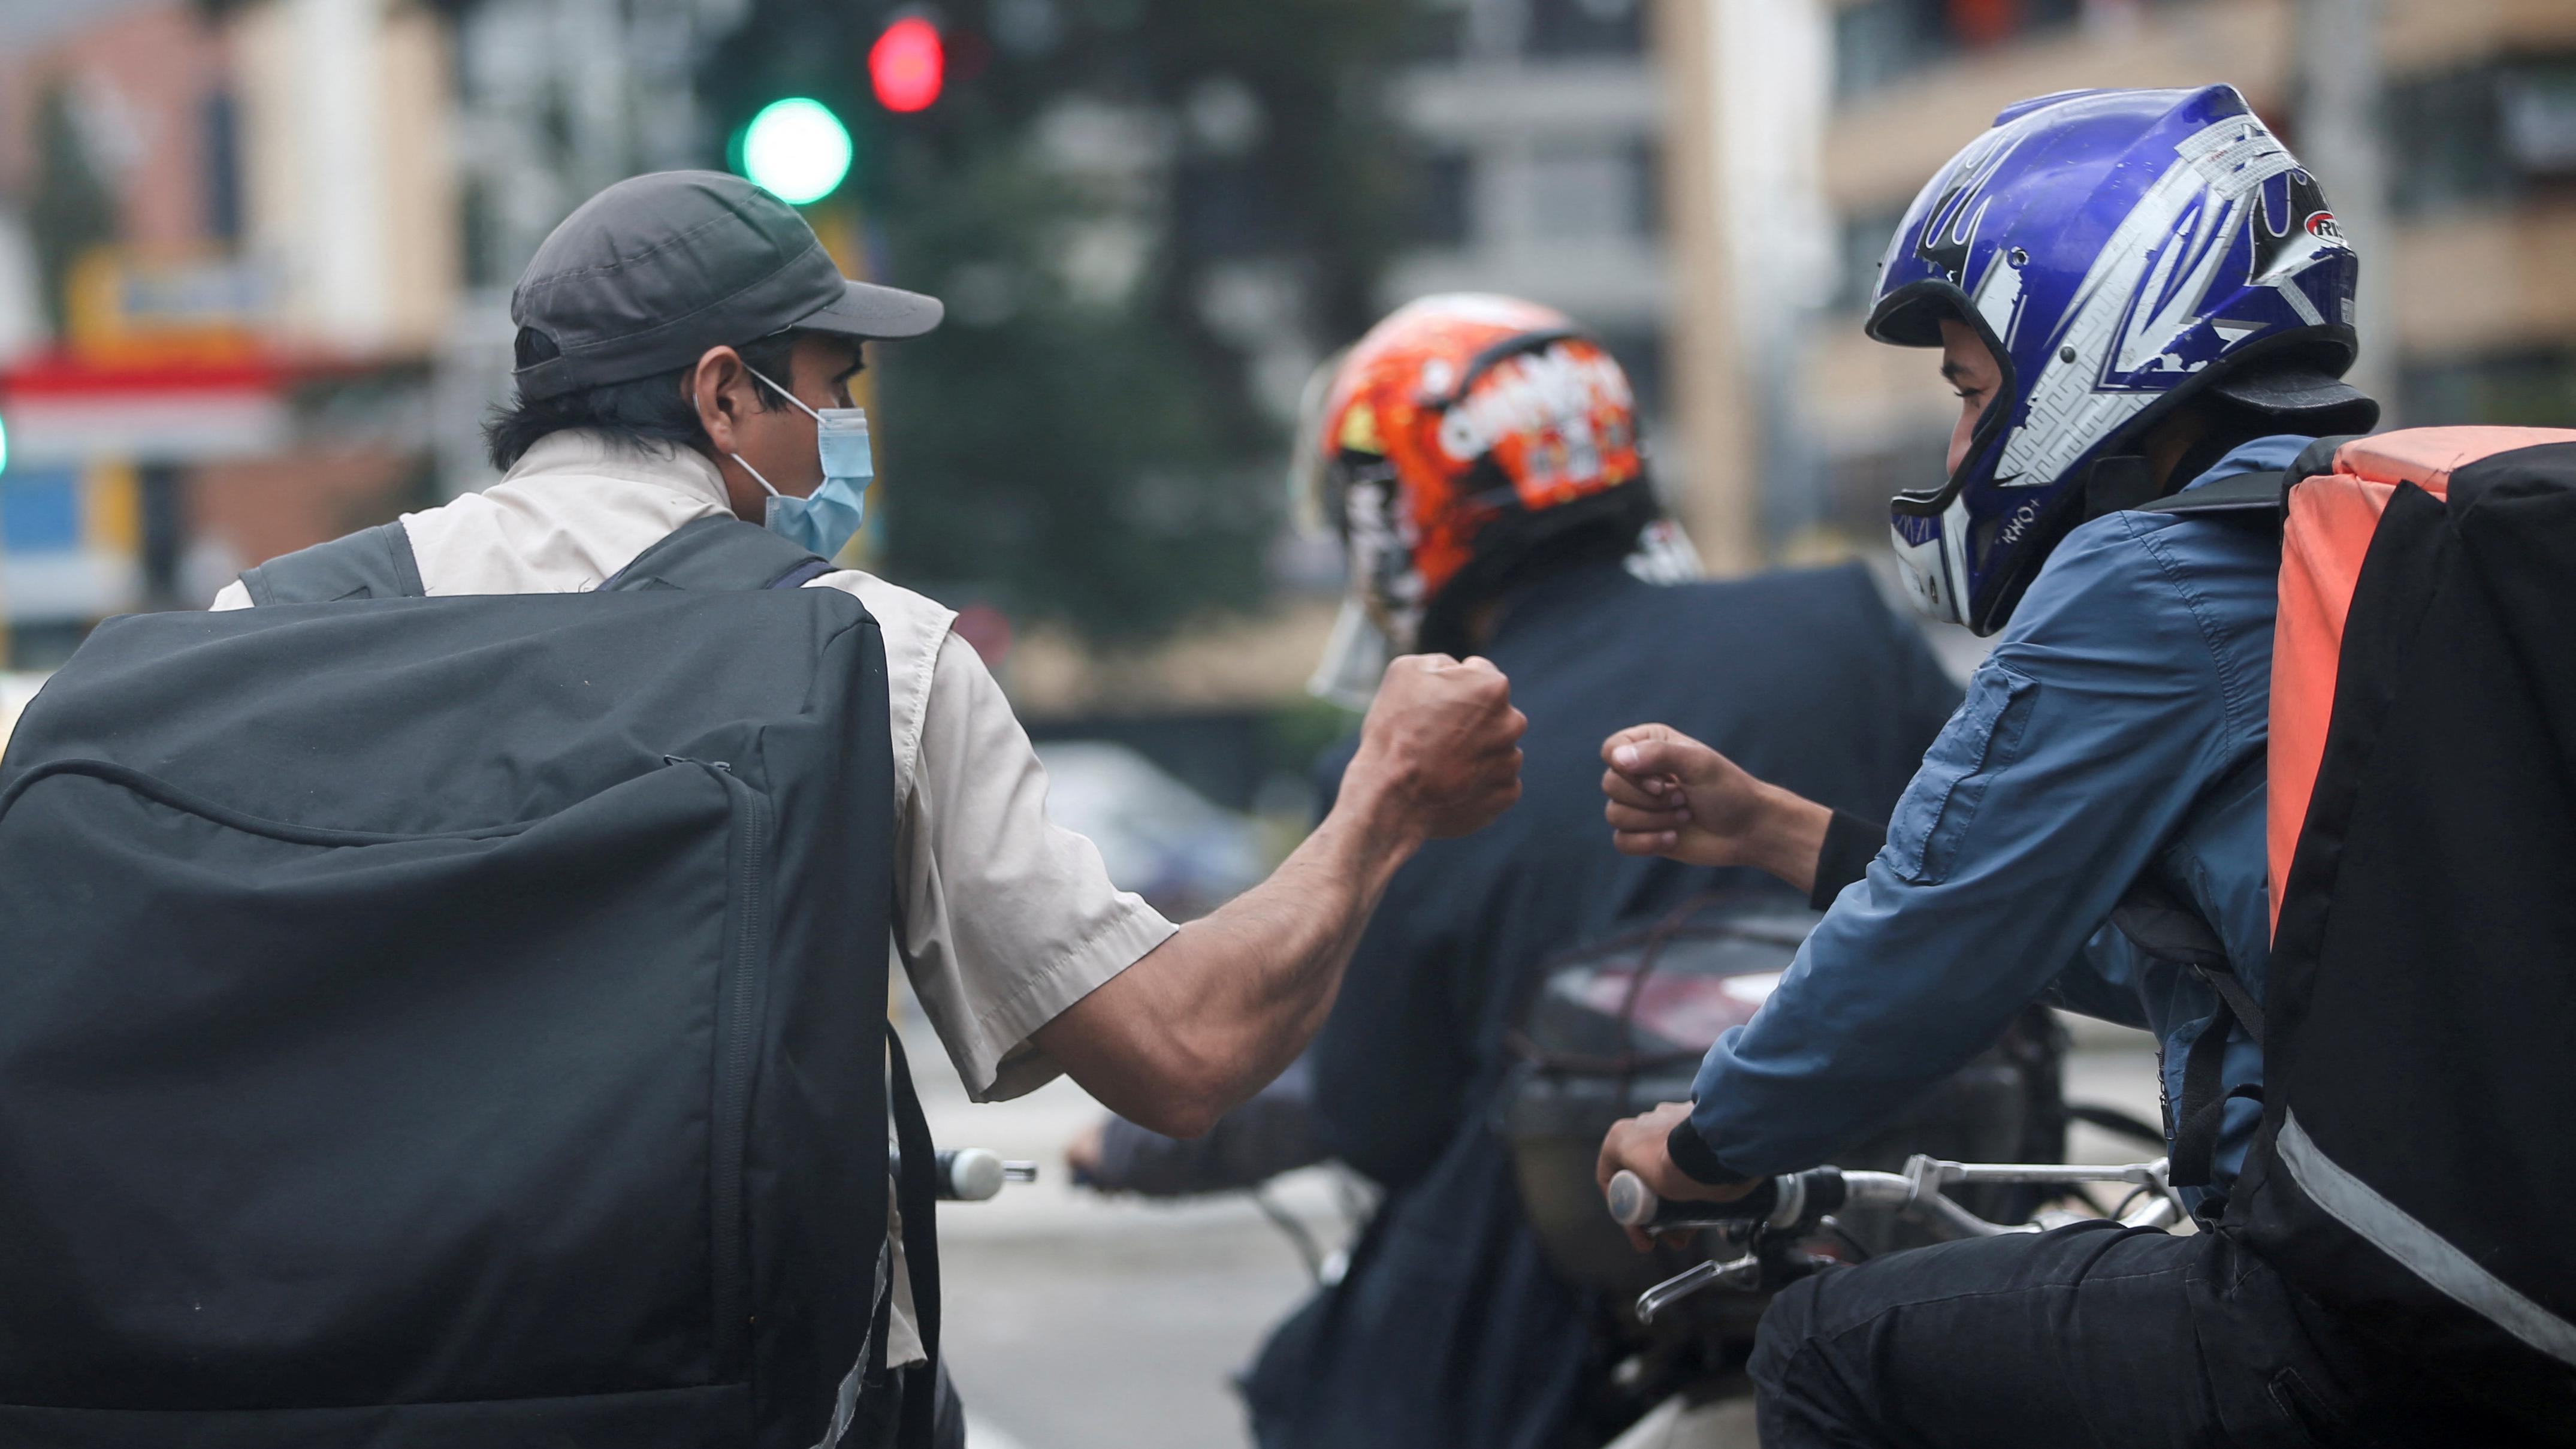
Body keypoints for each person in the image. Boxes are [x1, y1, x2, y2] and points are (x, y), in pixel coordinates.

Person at [207, 173, 1527, 1438]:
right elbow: (1176, 1055)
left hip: (332, 1379)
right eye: (834, 391)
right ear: (724, 393)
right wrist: (1385, 805)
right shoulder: (860, 659)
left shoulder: (267, 631)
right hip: (727, 1401)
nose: (847, 438)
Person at [1593, 87, 2526, 1444]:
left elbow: (1933, 931)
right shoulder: (2337, 561)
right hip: (2495, 1292)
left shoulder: (2148, 578)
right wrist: (1781, 831)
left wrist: (1701, 1143)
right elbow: (2191, 948)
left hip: (2363, 1316)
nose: (1962, 444)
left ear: (2096, 345)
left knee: (1827, 1350)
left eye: (1969, 389)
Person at [1080, 295, 1965, 1448]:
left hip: (1559, 1328)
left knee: (1311, 1391)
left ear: (1398, 510)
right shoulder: (1841, 620)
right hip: (1909, 1241)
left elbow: (1379, 1117)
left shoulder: (1415, 755)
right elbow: (1984, 877)